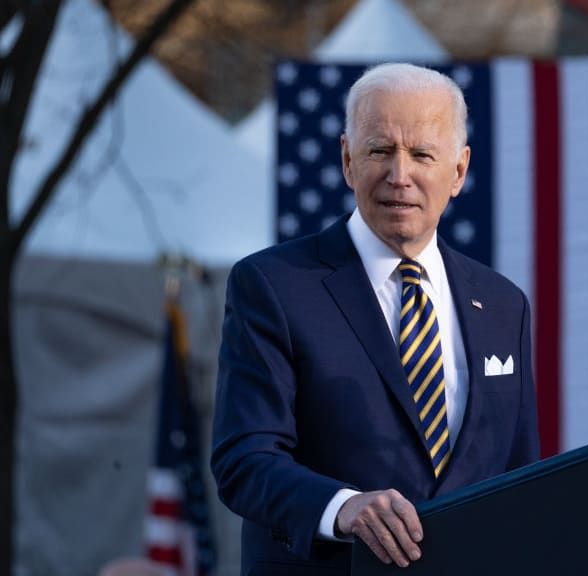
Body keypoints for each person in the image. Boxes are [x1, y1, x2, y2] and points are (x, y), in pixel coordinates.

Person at [211, 63, 539, 574]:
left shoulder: (503, 304)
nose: (399, 176)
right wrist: (342, 507)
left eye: (422, 154)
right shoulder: (273, 285)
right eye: (380, 151)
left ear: (458, 171)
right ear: (347, 160)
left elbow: (522, 479)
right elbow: (244, 460)